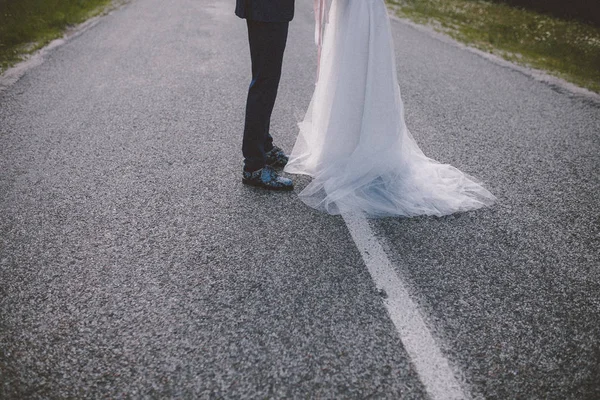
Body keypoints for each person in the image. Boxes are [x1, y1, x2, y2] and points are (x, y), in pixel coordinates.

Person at [284, 0, 496, 217]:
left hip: (360, 12)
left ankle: (361, 150)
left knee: (359, 72)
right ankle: (343, 147)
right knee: (348, 76)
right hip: (350, 12)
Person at [236, 0, 295, 191]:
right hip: (268, 8)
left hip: (265, 8)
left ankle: (264, 146)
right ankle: (254, 166)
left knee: (264, 79)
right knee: (265, 83)